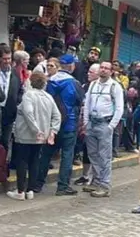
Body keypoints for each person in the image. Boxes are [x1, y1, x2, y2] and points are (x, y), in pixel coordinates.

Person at [9, 72, 61, 201]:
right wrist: (52, 131)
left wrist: (35, 129)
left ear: (31, 81)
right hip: (41, 137)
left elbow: (28, 113)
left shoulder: (28, 95)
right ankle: (30, 190)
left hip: (25, 135)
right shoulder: (48, 97)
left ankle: (20, 191)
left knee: (22, 161)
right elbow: (57, 115)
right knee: (34, 162)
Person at [35, 57, 82, 195]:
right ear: (71, 66)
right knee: (67, 155)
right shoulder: (74, 83)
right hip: (69, 124)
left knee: (45, 155)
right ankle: (62, 186)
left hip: (51, 125)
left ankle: (38, 183)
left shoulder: (50, 81)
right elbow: (80, 101)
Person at [83, 61, 125, 197]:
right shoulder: (93, 84)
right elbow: (87, 103)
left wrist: (111, 126)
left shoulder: (115, 86)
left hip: (104, 124)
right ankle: (96, 181)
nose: (104, 70)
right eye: (102, 67)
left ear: (111, 71)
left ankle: (105, 185)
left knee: (104, 156)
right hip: (92, 123)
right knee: (93, 154)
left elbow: (119, 108)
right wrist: (85, 122)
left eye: (107, 68)